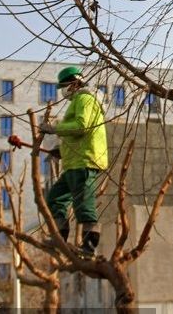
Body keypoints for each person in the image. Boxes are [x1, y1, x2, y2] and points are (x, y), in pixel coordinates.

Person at [38, 65, 108, 256]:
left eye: (65, 85)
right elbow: (76, 135)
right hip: (73, 163)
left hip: (84, 160)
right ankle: (60, 237)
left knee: (83, 204)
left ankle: (89, 245)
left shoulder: (86, 99)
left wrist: (55, 128)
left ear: (75, 83)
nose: (63, 90)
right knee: (55, 198)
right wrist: (61, 150)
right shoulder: (77, 101)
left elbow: (81, 126)